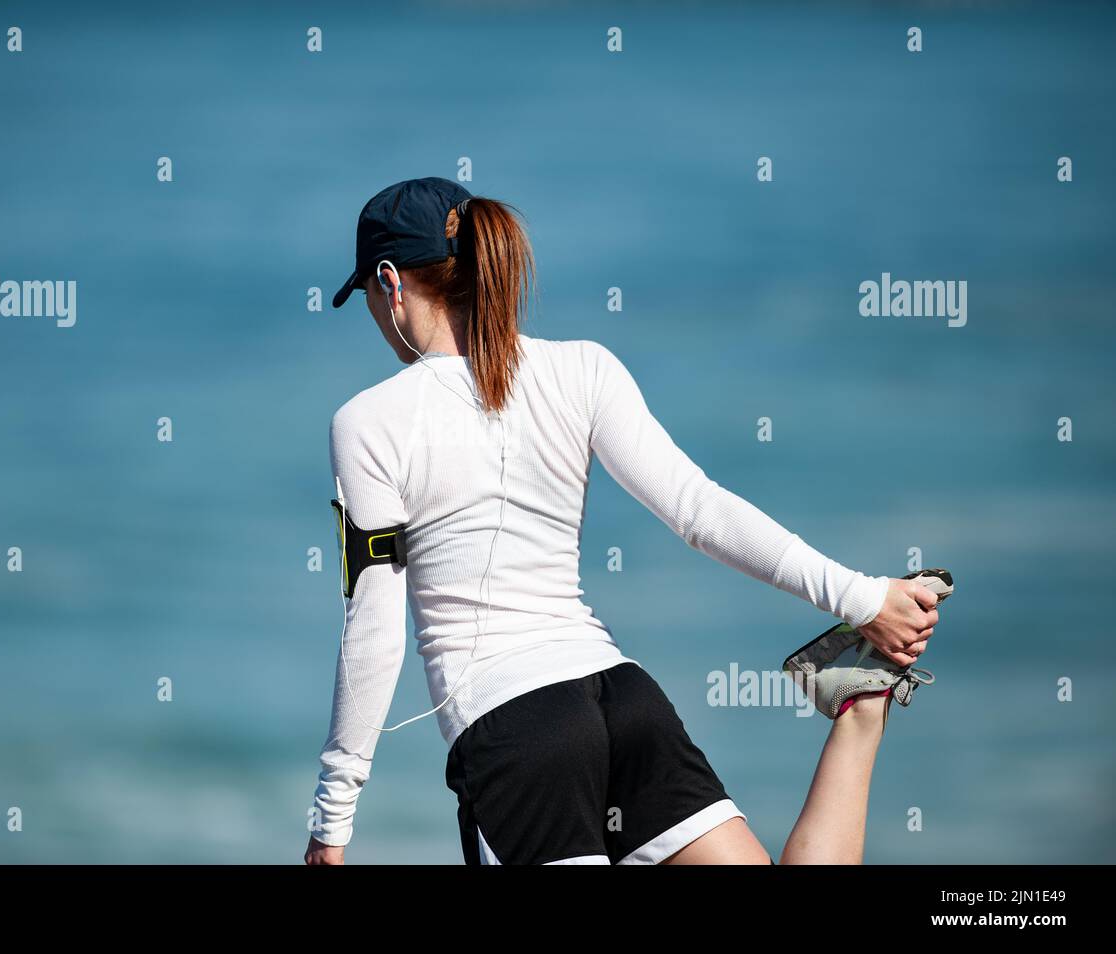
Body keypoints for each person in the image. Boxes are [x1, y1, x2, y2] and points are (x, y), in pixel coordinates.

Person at [305, 177, 943, 865]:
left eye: (367, 295)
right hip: (621, 698)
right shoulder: (583, 368)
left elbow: (374, 632)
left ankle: (860, 704)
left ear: (391, 283)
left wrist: (330, 821)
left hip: (515, 736)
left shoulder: (366, 423)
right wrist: (862, 596)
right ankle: (859, 709)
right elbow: (699, 510)